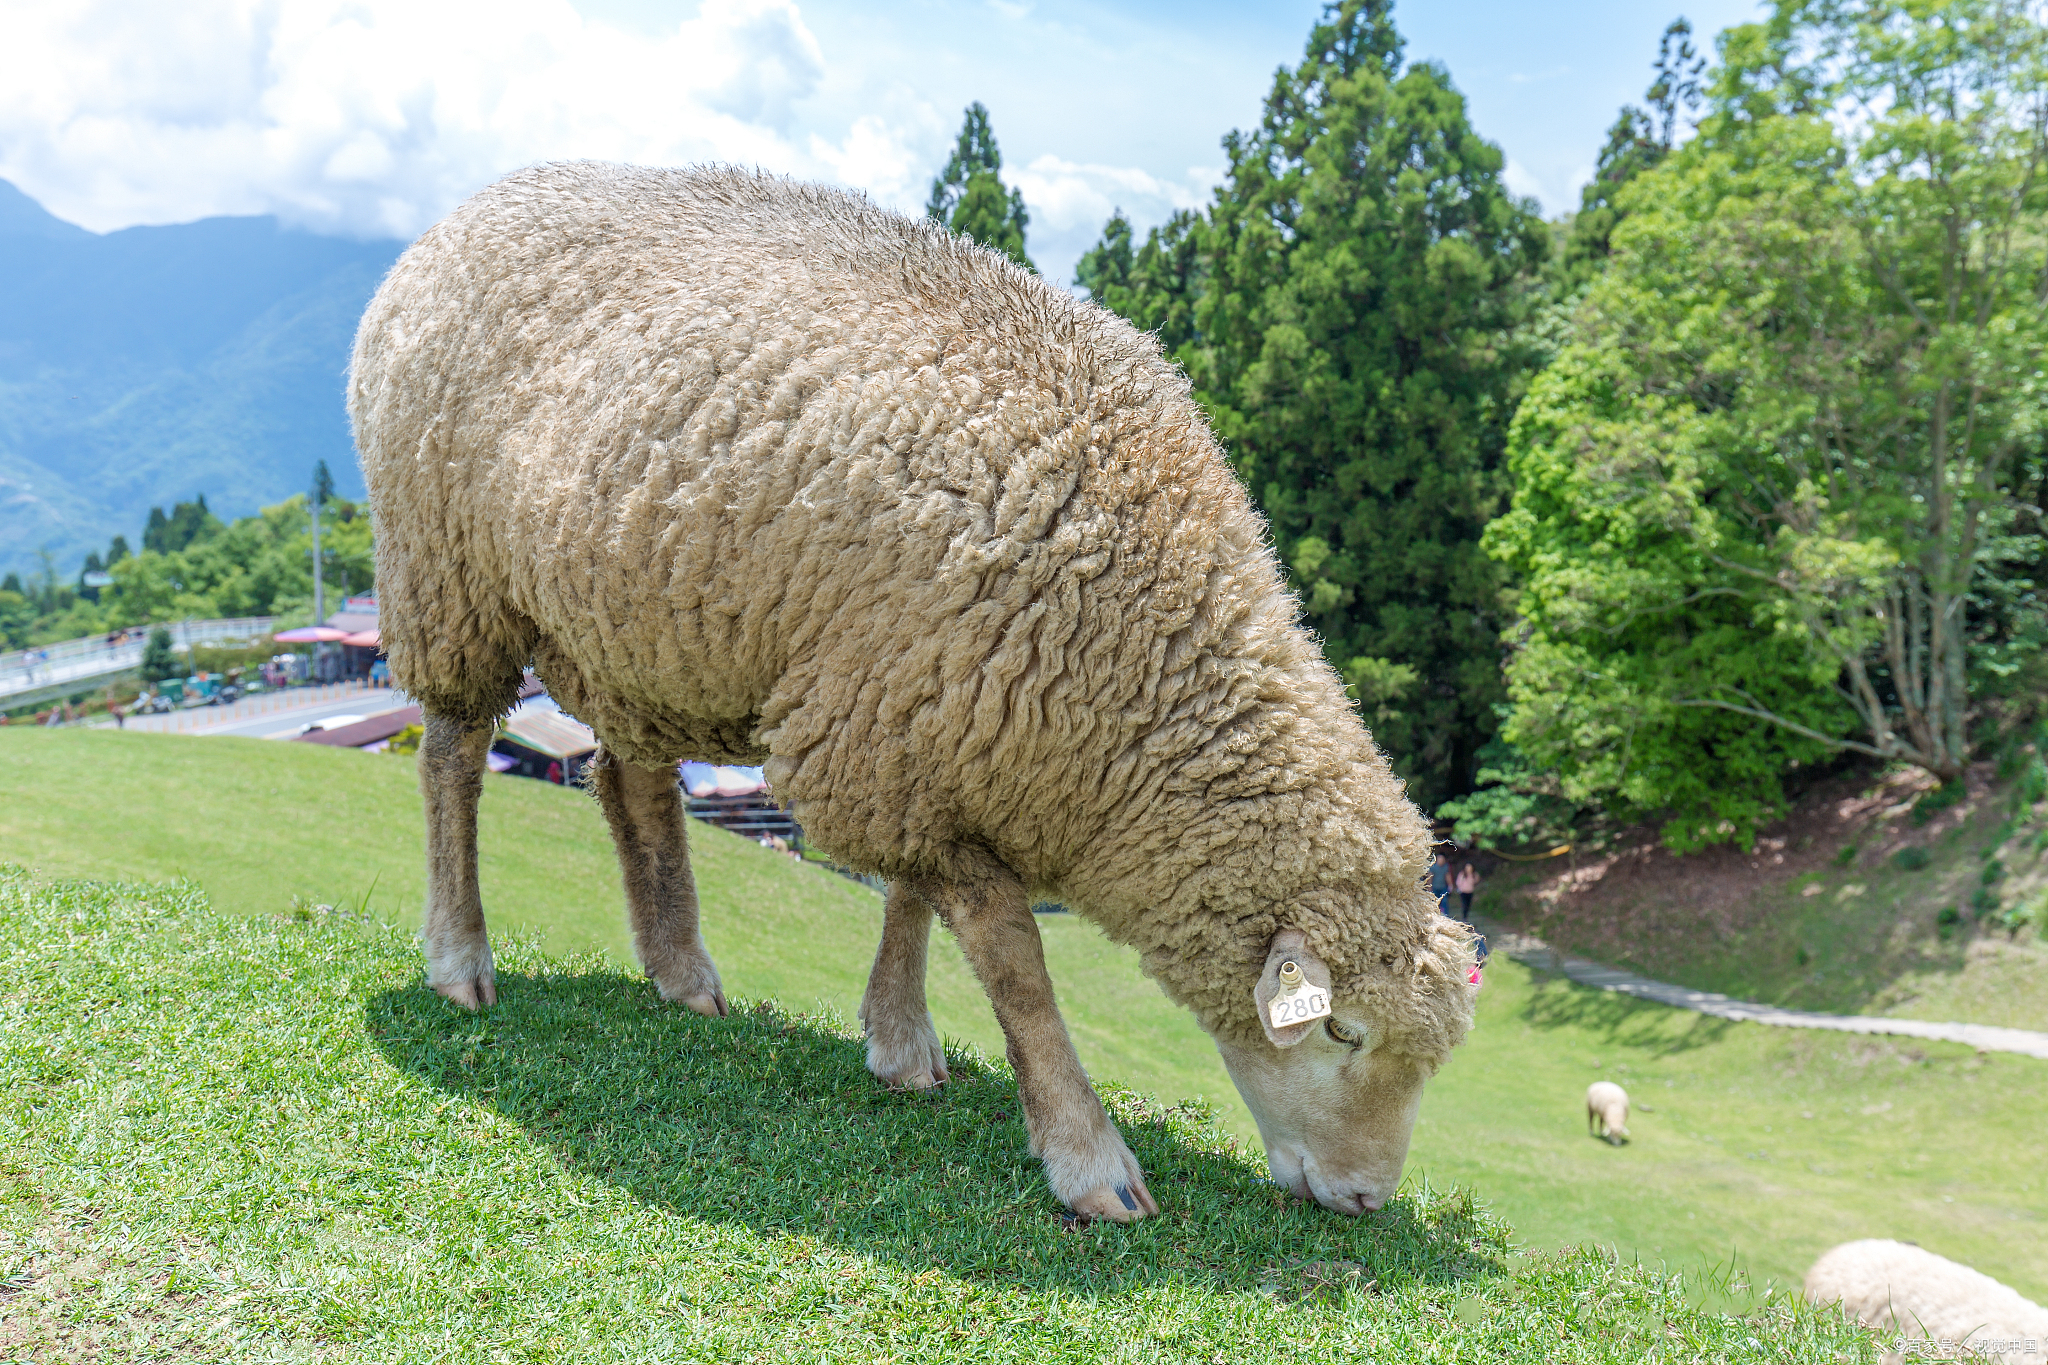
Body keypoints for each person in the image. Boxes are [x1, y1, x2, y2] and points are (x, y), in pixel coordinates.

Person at [1430, 849, 1452, 915]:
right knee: (1434, 902)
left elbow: (1447, 876)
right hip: (1435, 887)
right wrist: (1429, 886)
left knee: (1444, 902)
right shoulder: (1433, 867)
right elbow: (1430, 877)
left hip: (1443, 887)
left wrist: (1450, 885)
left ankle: (1446, 915)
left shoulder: (1445, 867)